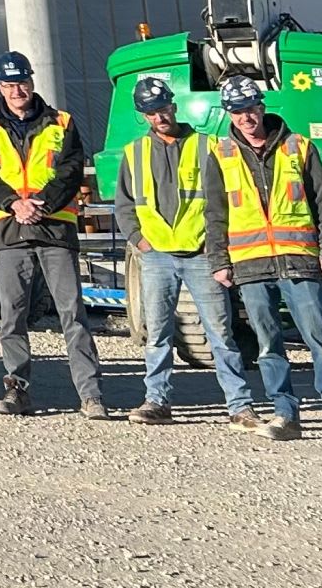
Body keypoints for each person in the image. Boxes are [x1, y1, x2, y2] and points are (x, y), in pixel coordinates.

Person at [206, 74, 322, 445]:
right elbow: (215, 213)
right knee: (268, 345)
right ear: (230, 114)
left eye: (250, 108)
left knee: (320, 340)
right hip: (250, 265)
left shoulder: (299, 146)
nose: (245, 117)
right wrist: (218, 261)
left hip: (300, 260)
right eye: (237, 111)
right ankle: (285, 414)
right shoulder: (221, 154)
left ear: (261, 106)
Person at [0, 52, 106, 419]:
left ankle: (90, 395)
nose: (18, 90)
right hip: (10, 230)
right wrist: (14, 203)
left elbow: (72, 168)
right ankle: (17, 390)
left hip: (54, 228)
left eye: (23, 82)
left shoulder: (61, 122)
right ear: (1, 87)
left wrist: (41, 203)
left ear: (32, 82)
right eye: (10, 84)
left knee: (72, 313)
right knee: (12, 315)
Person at [111, 76, 232, 427]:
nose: (159, 116)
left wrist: (216, 243)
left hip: (199, 254)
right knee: (158, 332)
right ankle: (156, 401)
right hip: (157, 256)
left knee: (220, 332)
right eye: (151, 112)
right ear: (143, 115)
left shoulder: (207, 146)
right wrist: (138, 239)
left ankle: (239, 405)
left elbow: (223, 199)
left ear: (173, 106)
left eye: (162, 108)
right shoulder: (134, 153)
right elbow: (124, 203)